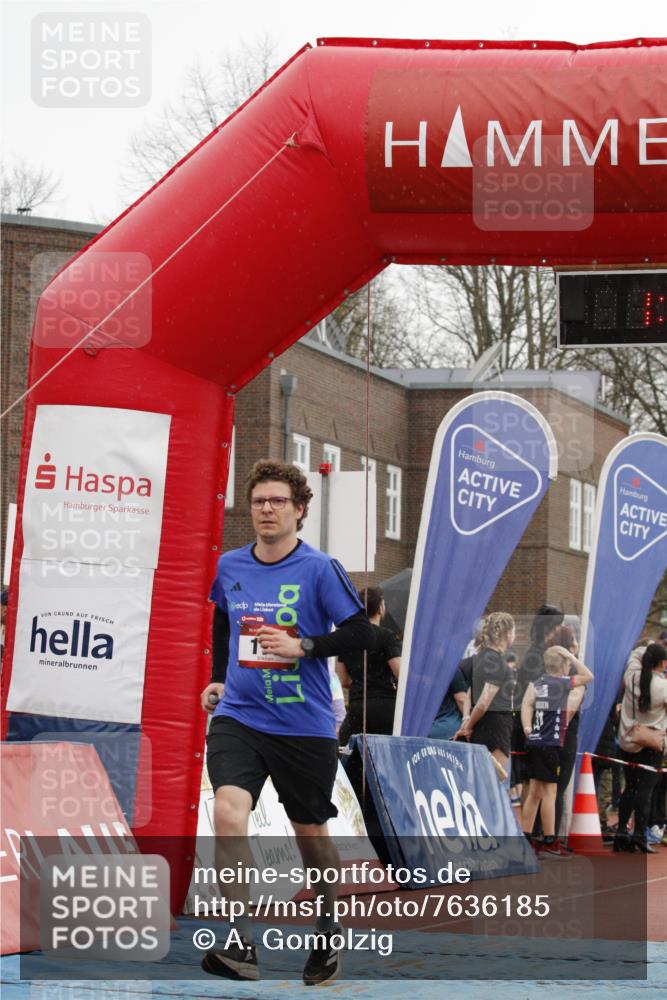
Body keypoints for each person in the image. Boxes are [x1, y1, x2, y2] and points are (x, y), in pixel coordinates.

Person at [200, 459, 374, 984]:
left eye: (278, 501)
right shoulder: (231, 566)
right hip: (241, 715)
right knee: (228, 812)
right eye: (259, 502)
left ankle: (327, 923)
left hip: (303, 724)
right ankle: (238, 939)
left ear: (300, 511)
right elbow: (224, 621)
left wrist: (305, 645)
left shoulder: (320, 569)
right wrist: (217, 678)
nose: (267, 509)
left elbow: (364, 634)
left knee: (310, 835)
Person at [520, 645, 593, 858]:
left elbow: (526, 704)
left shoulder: (537, 683)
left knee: (534, 792)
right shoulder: (561, 683)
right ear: (563, 666)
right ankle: (550, 840)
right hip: (551, 744)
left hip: (534, 742)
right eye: (568, 664)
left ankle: (525, 838)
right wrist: (571, 655)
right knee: (550, 793)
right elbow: (588, 676)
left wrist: (527, 728)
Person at [614, 642, 667, 853]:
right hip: (651, 743)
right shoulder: (662, 686)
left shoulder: (632, 676)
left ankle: (620, 833)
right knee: (646, 790)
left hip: (627, 740)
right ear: (662, 663)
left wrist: (650, 644)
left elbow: (635, 654)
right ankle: (639, 836)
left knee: (630, 787)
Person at [337, 587, 400, 746]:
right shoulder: (386, 636)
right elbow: (399, 672)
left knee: (349, 751)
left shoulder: (346, 638)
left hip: (358, 705)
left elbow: (343, 680)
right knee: (385, 753)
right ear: (381, 608)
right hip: (385, 706)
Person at [454, 612, 516, 775]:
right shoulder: (497, 663)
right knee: (492, 783)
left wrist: (467, 719)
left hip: (482, 725)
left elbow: (470, 693)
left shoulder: (478, 658)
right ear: (508, 634)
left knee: (479, 780)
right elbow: (483, 701)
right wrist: (468, 725)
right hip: (495, 727)